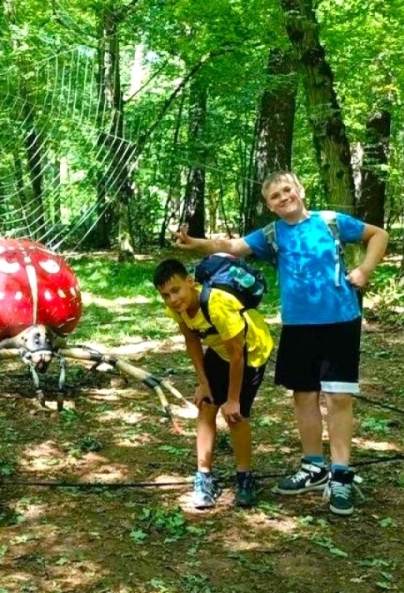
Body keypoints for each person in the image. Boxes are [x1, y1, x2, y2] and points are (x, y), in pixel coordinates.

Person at [175, 171, 388, 516]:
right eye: (275, 196)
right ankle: (313, 467)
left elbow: (378, 235)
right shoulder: (272, 235)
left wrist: (365, 269)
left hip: (340, 322)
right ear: (270, 206)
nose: (283, 197)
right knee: (304, 396)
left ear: (300, 190)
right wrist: (197, 243)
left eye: (287, 190)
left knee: (337, 398)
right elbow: (232, 247)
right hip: (298, 327)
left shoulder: (331, 222)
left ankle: (341, 476)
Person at [153, 258, 274, 510]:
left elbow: (237, 353)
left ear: (190, 282)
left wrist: (232, 400)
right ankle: (204, 477)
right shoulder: (177, 309)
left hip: (251, 351)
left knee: (235, 416)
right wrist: (203, 383)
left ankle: (244, 477)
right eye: (166, 295)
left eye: (176, 290)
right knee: (206, 405)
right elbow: (192, 341)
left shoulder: (217, 304)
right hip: (219, 351)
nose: (173, 299)